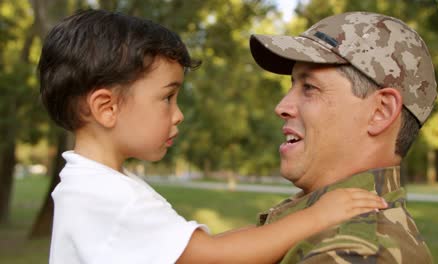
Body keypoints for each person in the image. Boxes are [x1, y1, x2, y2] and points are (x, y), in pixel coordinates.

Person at [38, 9, 387, 264]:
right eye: (167, 97)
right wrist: (317, 217)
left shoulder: (97, 186)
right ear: (106, 107)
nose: (178, 114)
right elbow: (214, 257)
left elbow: (204, 245)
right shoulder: (107, 196)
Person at [249, 11, 436, 263]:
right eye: (292, 85)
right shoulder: (318, 224)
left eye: (309, 87)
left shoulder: (354, 253)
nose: (282, 106)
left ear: (380, 112)